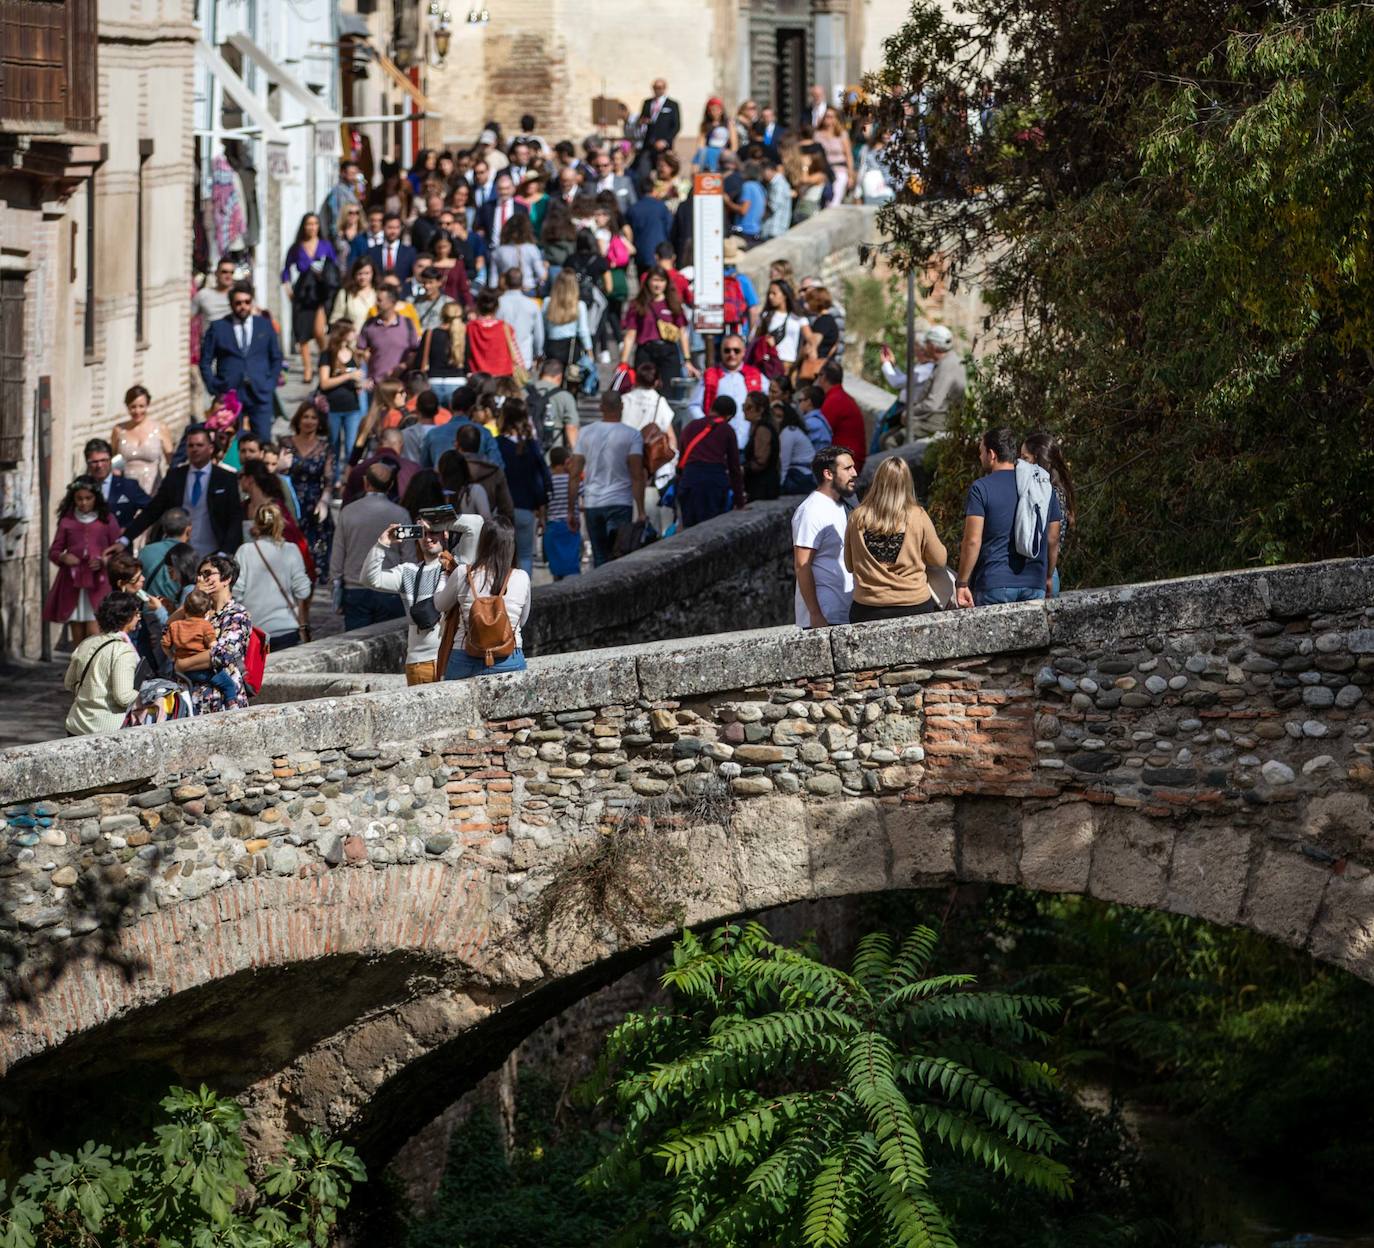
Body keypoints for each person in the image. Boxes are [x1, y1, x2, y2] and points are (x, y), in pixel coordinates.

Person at [955, 427, 1061, 607]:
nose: (980, 457)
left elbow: (972, 540)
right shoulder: (1040, 485)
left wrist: (962, 583)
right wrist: (1048, 575)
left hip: (994, 583)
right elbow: (1053, 537)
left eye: (981, 452)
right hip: (1034, 582)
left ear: (992, 454)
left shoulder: (981, 488)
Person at [844, 456, 948, 622]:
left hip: (868, 608)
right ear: (907, 483)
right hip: (914, 604)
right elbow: (939, 560)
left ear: (877, 481)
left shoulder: (856, 517)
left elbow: (849, 565)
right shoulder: (918, 516)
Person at [122, 424, 243, 555]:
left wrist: (225, 552)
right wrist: (125, 539)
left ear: (210, 448)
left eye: (199, 445)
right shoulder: (175, 477)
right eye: (191, 446)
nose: (195, 449)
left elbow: (235, 518)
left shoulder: (226, 478)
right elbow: (152, 510)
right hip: (179, 553)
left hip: (214, 552)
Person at [434, 514, 530, 679]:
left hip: (465, 656)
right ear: (511, 545)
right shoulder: (522, 577)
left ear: (482, 543)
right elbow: (522, 621)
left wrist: (443, 575)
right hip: (510, 657)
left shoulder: (463, 573)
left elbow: (439, 605)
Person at [364, 521, 451, 684]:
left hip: (453, 661)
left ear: (445, 533)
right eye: (422, 532)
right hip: (421, 663)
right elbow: (369, 579)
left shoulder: (458, 567)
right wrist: (383, 543)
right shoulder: (408, 571)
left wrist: (447, 520)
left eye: (434, 532)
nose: (428, 538)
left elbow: (475, 527)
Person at [567, 392, 645, 567]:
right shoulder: (632, 435)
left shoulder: (585, 433)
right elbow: (637, 475)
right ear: (622, 407)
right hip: (621, 502)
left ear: (601, 407)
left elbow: (574, 474)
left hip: (593, 502)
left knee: (600, 557)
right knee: (620, 555)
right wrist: (641, 510)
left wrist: (571, 510)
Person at [198, 282, 283, 443]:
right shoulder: (219, 327)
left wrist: (270, 382)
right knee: (232, 442)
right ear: (231, 304)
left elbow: (276, 357)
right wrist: (214, 387)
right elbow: (205, 361)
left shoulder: (264, 325)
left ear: (252, 302)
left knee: (263, 439)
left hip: (260, 392)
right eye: (238, 303)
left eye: (246, 302)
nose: (243, 306)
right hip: (230, 393)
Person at [330, 460, 409, 630]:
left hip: (355, 588)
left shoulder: (348, 512)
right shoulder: (401, 514)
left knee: (356, 641)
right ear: (391, 485)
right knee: (390, 640)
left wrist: (336, 584)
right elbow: (409, 557)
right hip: (389, 588)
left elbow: (338, 554)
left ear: (366, 482)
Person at [168, 554, 252, 713]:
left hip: (220, 701)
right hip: (191, 700)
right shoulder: (199, 613)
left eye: (207, 574)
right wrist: (194, 597)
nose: (200, 579)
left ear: (226, 579)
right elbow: (168, 632)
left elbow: (223, 654)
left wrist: (182, 664)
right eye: (199, 575)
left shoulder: (237, 614)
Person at [45, 475, 122, 644]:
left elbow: (118, 551)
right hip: (73, 584)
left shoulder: (107, 520)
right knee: (78, 636)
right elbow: (54, 551)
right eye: (79, 499)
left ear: (96, 498)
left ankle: (93, 661)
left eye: (88, 498)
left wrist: (104, 561)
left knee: (94, 633)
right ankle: (78, 661)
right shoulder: (67, 521)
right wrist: (63, 557)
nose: (84, 503)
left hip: (98, 584)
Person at [792, 445, 857, 629]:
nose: (854, 473)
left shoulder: (845, 505)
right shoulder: (811, 511)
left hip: (845, 612)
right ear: (828, 474)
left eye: (853, 467)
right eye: (847, 468)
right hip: (824, 617)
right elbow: (802, 565)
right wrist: (815, 614)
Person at [63, 590, 142, 736]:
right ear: (127, 617)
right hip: (106, 729)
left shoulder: (86, 642)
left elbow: (69, 683)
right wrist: (147, 695)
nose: (139, 617)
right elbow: (124, 697)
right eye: (137, 613)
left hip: (77, 724)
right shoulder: (123, 651)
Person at [234, 502, 311, 650]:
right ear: (280, 523)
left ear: (256, 524)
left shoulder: (244, 551)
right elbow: (303, 591)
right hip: (286, 628)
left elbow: (236, 592)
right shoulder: (291, 550)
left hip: (255, 631)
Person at [280, 212, 340, 383]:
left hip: (320, 293)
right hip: (303, 292)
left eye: (315, 224)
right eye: (309, 224)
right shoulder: (297, 247)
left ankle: (325, 360)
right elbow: (286, 270)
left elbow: (334, 267)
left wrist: (327, 277)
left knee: (319, 331)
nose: (312, 227)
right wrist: (288, 289)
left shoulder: (325, 245)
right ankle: (307, 368)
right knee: (303, 333)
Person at [497, 400, 551, 576]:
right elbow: (540, 481)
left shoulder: (497, 445)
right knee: (526, 555)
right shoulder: (531, 446)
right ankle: (524, 590)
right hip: (526, 509)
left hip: (501, 509)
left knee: (502, 556)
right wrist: (542, 512)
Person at [1020, 431, 1076, 596]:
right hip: (1046, 572)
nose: (1019, 464)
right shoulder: (1060, 491)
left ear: (1037, 460)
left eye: (1025, 458)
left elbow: (1053, 538)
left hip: (1042, 574)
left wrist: (1048, 575)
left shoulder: (1049, 494)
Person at [677, 395, 746, 528]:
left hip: (689, 479)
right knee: (711, 527)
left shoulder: (690, 426)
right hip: (713, 481)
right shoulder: (727, 430)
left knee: (689, 528)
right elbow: (734, 468)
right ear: (729, 416)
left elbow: (682, 459)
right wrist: (740, 501)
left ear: (711, 408)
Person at [686, 333, 765, 449]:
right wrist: (708, 424)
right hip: (718, 443)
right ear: (721, 352)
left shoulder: (755, 375)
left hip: (749, 443)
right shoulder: (711, 375)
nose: (731, 354)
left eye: (736, 350)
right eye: (727, 350)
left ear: (744, 352)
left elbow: (769, 400)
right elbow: (693, 406)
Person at [163, 588, 242, 700]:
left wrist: (172, 657)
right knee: (228, 685)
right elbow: (213, 646)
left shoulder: (174, 626)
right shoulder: (205, 625)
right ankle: (232, 703)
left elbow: (165, 644)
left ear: (184, 609)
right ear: (206, 613)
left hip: (183, 673)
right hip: (202, 670)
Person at [317, 322, 372, 480]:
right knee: (333, 447)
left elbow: (355, 381)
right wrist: (349, 376)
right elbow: (324, 383)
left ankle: (348, 481)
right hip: (332, 407)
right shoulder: (328, 355)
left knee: (351, 448)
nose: (355, 334)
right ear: (343, 333)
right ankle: (333, 481)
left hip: (352, 408)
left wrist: (361, 384)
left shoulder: (353, 354)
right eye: (352, 331)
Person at [286, 401, 335, 576]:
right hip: (290, 501)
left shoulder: (325, 447)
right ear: (298, 420)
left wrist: (324, 502)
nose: (309, 421)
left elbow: (329, 481)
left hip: (314, 504)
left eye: (313, 418)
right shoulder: (286, 443)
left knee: (315, 556)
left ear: (319, 422)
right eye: (305, 417)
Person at [620, 265, 688, 390]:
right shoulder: (637, 304)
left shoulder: (673, 303)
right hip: (646, 352)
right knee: (644, 390)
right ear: (648, 282)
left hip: (668, 352)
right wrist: (623, 362)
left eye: (662, 280)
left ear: (666, 283)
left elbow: (682, 332)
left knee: (668, 392)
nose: (658, 285)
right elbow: (630, 335)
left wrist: (687, 359)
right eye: (655, 280)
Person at [906, 324, 967, 439]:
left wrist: (910, 413)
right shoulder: (950, 360)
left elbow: (932, 404)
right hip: (938, 418)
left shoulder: (946, 366)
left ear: (933, 346)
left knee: (890, 440)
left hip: (939, 421)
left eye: (927, 343)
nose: (924, 347)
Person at [110, 385, 173, 496]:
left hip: (153, 490)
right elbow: (115, 462)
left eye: (141, 406)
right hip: (127, 490)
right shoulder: (119, 430)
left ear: (147, 405)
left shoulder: (160, 428)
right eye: (133, 407)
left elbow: (171, 461)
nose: (137, 411)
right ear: (127, 406)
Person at [84, 437, 148, 529]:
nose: (99, 465)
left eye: (103, 460)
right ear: (87, 463)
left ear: (110, 460)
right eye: (94, 462)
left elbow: (153, 509)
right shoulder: (81, 485)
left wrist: (131, 530)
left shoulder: (128, 486)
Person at [358, 285, 419, 383]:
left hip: (401, 384)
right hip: (376, 384)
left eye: (379, 300)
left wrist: (403, 366)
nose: (376, 303)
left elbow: (414, 351)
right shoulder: (369, 324)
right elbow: (359, 351)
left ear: (392, 302)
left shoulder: (407, 324)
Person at [345, 428, 420, 506]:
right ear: (401, 444)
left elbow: (346, 506)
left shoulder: (359, 469)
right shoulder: (413, 469)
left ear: (379, 444)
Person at [456, 423, 515, 520]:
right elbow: (507, 509)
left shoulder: (450, 468)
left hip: (455, 525)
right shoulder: (494, 471)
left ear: (457, 444)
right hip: (486, 526)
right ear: (479, 445)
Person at [817, 362, 867, 470]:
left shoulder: (834, 400)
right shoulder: (841, 397)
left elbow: (820, 432)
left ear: (824, 377)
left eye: (818, 375)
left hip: (846, 462)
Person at [543, 269, 593, 373]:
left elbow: (543, 328)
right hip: (571, 348)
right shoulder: (579, 305)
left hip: (552, 346)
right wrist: (589, 350)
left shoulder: (547, 302)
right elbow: (583, 331)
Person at [138, 507, 193, 601]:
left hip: (148, 606)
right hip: (177, 608)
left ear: (164, 528)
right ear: (188, 530)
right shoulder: (189, 555)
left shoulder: (145, 551)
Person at [543, 446, 581, 579]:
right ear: (567, 462)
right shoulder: (573, 481)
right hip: (571, 526)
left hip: (552, 526)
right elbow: (583, 495)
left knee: (557, 567)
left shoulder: (547, 483)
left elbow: (543, 505)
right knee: (572, 565)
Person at [754, 280, 808, 375]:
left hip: (791, 365)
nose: (770, 296)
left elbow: (810, 339)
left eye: (774, 293)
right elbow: (756, 338)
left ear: (785, 295)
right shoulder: (766, 316)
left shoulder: (798, 317)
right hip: (771, 363)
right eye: (769, 293)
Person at [625, 177, 674, 274]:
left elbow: (629, 232)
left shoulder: (633, 209)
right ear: (653, 189)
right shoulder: (661, 207)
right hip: (660, 253)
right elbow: (670, 229)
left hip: (641, 254)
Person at [496, 269, 544, 369]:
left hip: (502, 359)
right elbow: (538, 335)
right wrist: (538, 353)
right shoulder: (532, 305)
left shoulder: (497, 304)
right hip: (524, 358)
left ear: (506, 282)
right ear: (522, 282)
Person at [487, 212, 546, 293]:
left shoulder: (498, 251)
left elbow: (493, 281)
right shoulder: (532, 249)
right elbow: (542, 275)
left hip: (506, 291)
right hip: (528, 289)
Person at [528, 359, 580, 449]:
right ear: (559, 376)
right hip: (554, 449)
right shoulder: (565, 396)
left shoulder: (524, 392)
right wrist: (575, 452)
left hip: (527, 447)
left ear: (541, 374)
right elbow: (571, 428)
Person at [637, 78, 681, 175]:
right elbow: (641, 120)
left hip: (664, 147)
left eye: (660, 87)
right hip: (649, 144)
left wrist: (665, 141)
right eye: (656, 87)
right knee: (644, 171)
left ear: (665, 88)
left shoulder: (672, 104)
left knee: (663, 172)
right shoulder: (647, 103)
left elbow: (676, 126)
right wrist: (643, 121)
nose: (658, 90)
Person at [476, 170, 530, 245]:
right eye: (501, 189)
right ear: (496, 189)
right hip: (492, 248)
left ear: (513, 189)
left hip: (514, 248)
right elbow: (480, 228)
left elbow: (526, 230)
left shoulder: (521, 209)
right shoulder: (487, 207)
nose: (504, 192)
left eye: (507, 188)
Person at [743, 391, 780, 501]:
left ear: (760, 409)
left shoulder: (763, 429)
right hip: (759, 485)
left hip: (762, 488)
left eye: (749, 407)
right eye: (744, 406)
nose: (744, 410)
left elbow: (761, 461)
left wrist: (742, 469)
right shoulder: (757, 427)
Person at [816, 108, 854, 205]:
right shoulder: (817, 135)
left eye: (831, 117)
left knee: (833, 202)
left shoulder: (842, 134)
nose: (828, 119)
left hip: (839, 170)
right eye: (826, 116)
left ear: (836, 119)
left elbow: (848, 155)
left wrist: (850, 176)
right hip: (823, 172)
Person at [331, 257, 378, 334]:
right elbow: (335, 320)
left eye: (367, 273)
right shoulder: (345, 294)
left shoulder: (378, 292)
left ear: (373, 274)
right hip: (352, 339)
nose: (363, 277)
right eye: (359, 273)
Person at [367, 212, 417, 283]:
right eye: (390, 227)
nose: (393, 231)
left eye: (396, 228)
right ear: (383, 227)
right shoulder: (372, 252)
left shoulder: (410, 252)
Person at [779, 403, 817, 494]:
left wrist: (780, 485)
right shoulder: (794, 430)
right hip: (808, 474)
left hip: (801, 475)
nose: (776, 420)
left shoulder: (788, 432)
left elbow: (784, 462)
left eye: (779, 416)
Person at [694, 97, 735, 171]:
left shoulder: (728, 123)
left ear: (722, 110)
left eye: (717, 109)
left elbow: (734, 143)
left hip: (724, 152)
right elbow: (700, 144)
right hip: (709, 152)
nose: (715, 112)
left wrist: (730, 153)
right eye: (712, 110)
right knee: (697, 162)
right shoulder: (705, 125)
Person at [412, 265, 454, 332]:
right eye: (424, 282)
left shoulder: (448, 303)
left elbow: (452, 324)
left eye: (430, 282)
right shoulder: (415, 301)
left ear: (439, 282)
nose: (427, 286)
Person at [759, 159, 793, 240]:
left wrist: (763, 205)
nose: (762, 175)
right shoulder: (774, 183)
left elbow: (774, 206)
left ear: (769, 170)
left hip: (775, 228)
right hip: (773, 228)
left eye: (762, 172)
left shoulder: (779, 184)